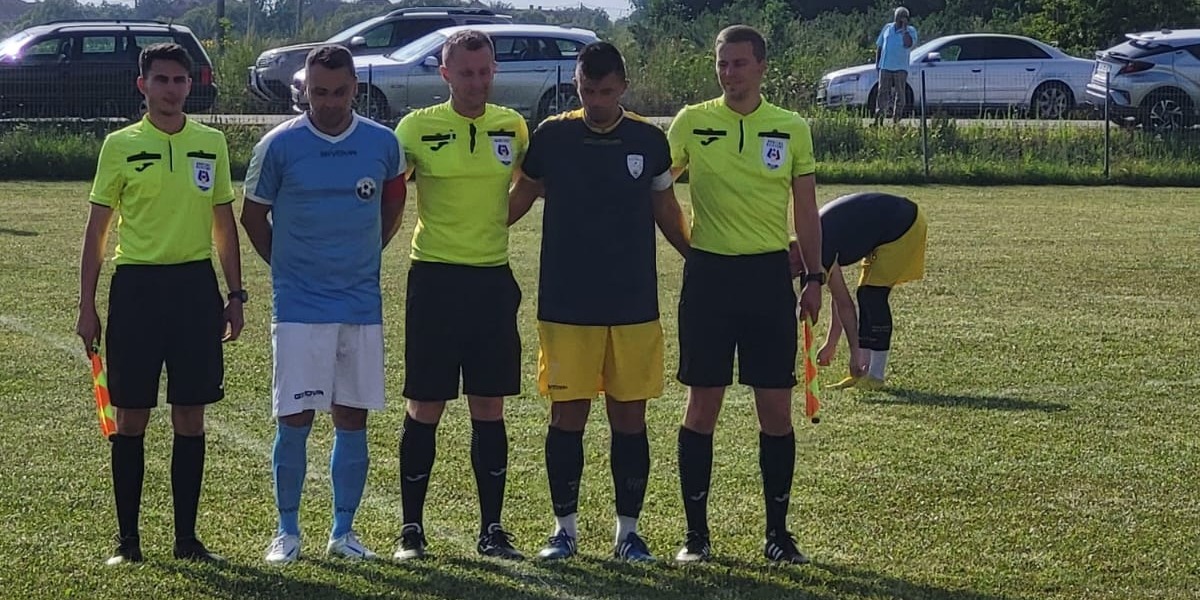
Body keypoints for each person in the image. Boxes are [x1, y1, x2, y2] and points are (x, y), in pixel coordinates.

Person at [509, 41, 690, 562]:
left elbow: (666, 208)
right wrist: (472, 235)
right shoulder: (553, 135)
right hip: (566, 304)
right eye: (587, 91)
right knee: (567, 417)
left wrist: (698, 258)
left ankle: (628, 533)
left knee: (629, 420)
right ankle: (563, 531)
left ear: (623, 87)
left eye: (606, 92)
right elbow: (517, 201)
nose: (596, 102)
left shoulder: (648, 140)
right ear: (577, 85)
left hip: (633, 304)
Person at [75, 42, 244, 566]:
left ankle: (187, 540)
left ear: (191, 85)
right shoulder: (119, 145)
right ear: (142, 85)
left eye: (179, 80)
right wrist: (87, 304)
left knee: (190, 415)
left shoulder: (210, 142)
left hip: (194, 289)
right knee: (132, 417)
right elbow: (97, 231)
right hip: (137, 290)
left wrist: (235, 295)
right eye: (161, 80)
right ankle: (128, 543)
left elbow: (223, 224)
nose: (171, 89)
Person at [241, 44, 407, 565]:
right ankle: (287, 532)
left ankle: (344, 532)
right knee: (294, 418)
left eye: (338, 92)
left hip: (360, 304)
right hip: (299, 306)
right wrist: (288, 267)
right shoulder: (279, 146)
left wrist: (363, 256)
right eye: (318, 93)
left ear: (354, 88)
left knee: (352, 416)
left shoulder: (383, 143)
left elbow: (394, 204)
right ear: (304, 90)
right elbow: (252, 217)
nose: (329, 103)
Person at [666, 25, 824, 565]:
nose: (729, 73)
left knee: (775, 409)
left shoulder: (791, 127)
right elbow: (657, 187)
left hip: (767, 278)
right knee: (701, 405)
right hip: (709, 276)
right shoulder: (691, 121)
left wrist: (814, 278)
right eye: (722, 63)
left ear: (761, 67)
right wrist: (687, 246)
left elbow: (806, 209)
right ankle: (696, 537)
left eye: (739, 63)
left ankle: (778, 534)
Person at [392, 29, 529, 561]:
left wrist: (497, 221)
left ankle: (492, 529)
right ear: (445, 73)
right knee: (425, 404)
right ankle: (411, 530)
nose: (476, 82)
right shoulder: (416, 128)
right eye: (466, 73)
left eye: (484, 71)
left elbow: (530, 182)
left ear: (494, 71)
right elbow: (389, 190)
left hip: (492, 281)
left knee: (488, 406)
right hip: (435, 280)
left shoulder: (512, 126)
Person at [809, 192, 927, 389]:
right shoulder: (812, 242)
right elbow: (840, 298)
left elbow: (845, 305)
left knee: (873, 295)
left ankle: (875, 375)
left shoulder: (819, 249)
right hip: (888, 225)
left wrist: (853, 352)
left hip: (903, 223)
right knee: (867, 295)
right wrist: (831, 343)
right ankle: (863, 371)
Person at [874, 7, 918, 125]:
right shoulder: (887, 28)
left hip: (900, 68)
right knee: (882, 93)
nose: (900, 19)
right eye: (899, 17)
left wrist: (904, 30)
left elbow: (908, 44)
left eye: (903, 17)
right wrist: (877, 63)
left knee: (900, 94)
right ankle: (878, 120)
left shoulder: (911, 31)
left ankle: (896, 120)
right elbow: (879, 46)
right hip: (885, 66)